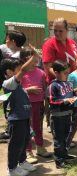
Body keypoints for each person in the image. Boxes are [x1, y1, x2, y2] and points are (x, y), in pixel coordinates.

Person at [2, 44, 38, 176]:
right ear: (9, 72)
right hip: (16, 120)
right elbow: (23, 69)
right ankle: (11, 168)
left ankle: (22, 161)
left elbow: (25, 103)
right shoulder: (9, 84)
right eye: (18, 70)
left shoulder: (20, 87)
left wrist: (29, 117)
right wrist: (34, 55)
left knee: (24, 142)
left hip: (24, 119)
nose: (23, 72)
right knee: (15, 145)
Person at [43, 18, 77, 133]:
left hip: (71, 81)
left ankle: (67, 131)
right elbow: (48, 67)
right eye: (55, 30)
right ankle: (52, 125)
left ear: (67, 30)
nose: (57, 33)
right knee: (56, 106)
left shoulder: (72, 43)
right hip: (56, 82)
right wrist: (61, 79)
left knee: (68, 106)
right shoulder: (49, 44)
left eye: (60, 31)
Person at [20, 47, 51, 164]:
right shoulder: (21, 73)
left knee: (38, 126)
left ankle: (40, 147)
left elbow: (44, 88)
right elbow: (17, 89)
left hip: (39, 105)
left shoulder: (42, 72)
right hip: (26, 105)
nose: (35, 58)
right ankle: (28, 151)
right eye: (31, 55)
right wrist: (28, 90)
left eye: (36, 55)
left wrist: (46, 102)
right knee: (28, 128)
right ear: (24, 58)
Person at [46, 60, 76, 169]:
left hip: (68, 114)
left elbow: (72, 96)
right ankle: (59, 161)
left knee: (65, 137)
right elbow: (52, 101)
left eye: (68, 72)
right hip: (57, 116)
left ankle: (64, 156)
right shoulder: (52, 86)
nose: (67, 75)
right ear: (56, 72)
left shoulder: (68, 84)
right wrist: (65, 101)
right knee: (58, 139)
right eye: (65, 73)